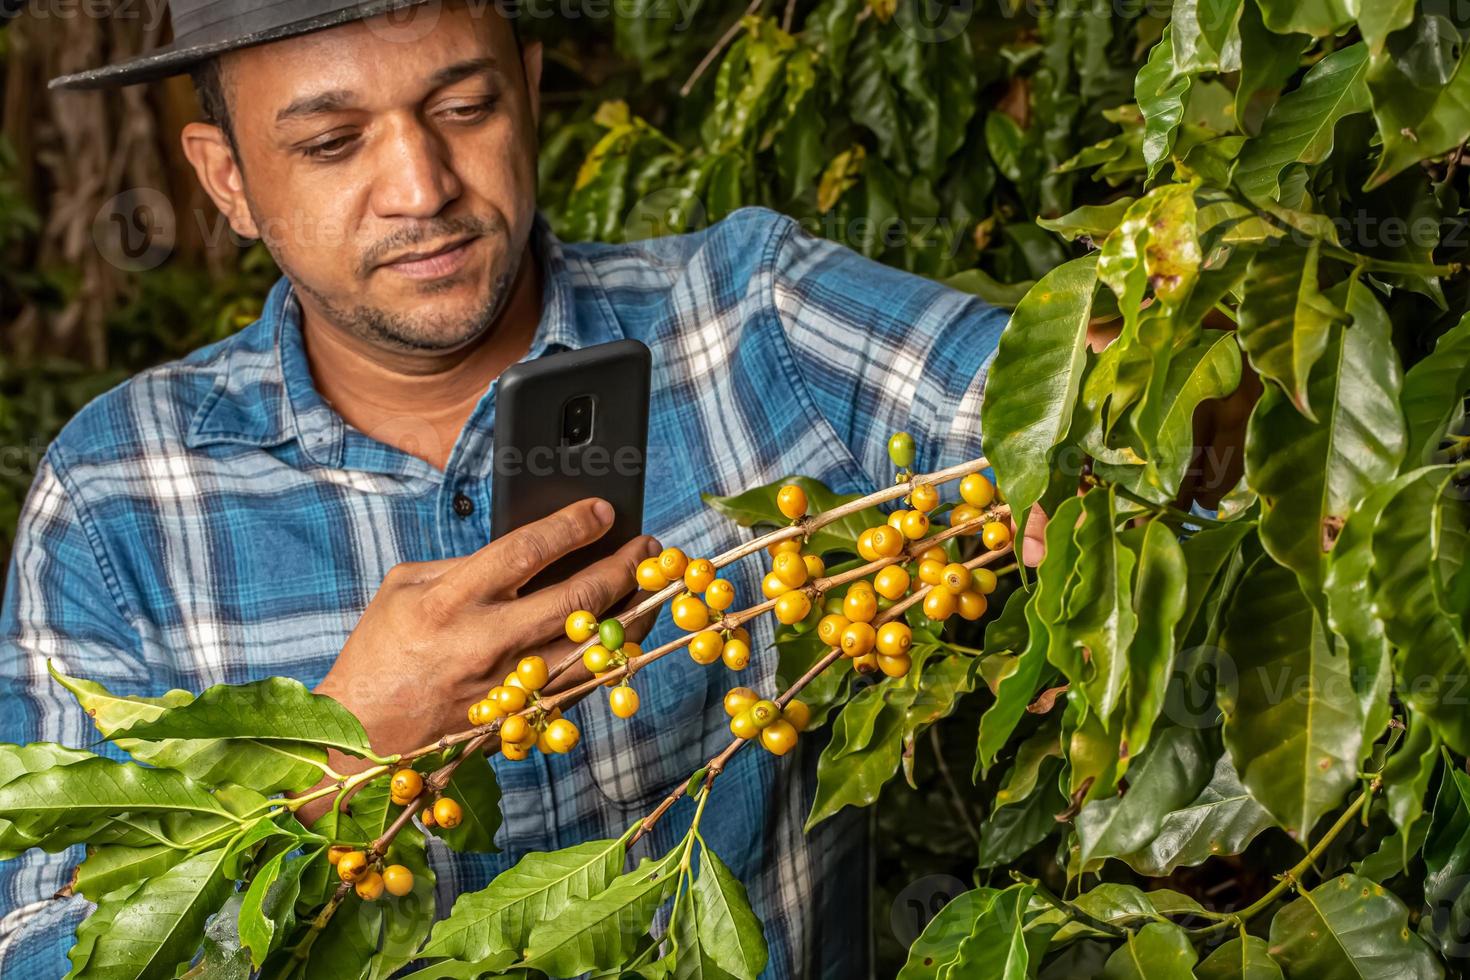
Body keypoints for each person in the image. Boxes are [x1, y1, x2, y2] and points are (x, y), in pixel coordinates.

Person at [0, 1, 1242, 976]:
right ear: (226, 181)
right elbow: (50, 946)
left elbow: (1115, 427)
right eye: (331, 143)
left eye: (465, 106)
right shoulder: (121, 502)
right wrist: (328, 758)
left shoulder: (750, 317)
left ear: (530, 95)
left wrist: (1166, 405)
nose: (422, 185)